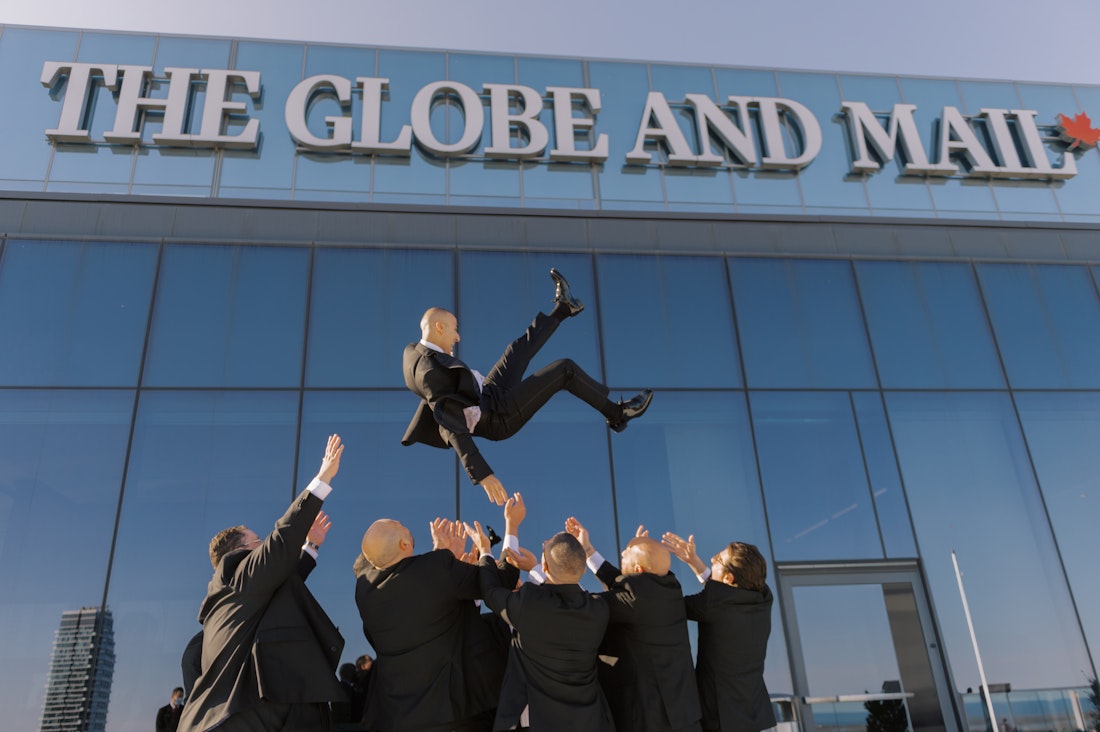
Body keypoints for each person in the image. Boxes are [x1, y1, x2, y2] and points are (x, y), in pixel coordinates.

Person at [402, 268, 654, 505]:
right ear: (439, 327)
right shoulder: (428, 372)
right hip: (497, 417)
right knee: (563, 369)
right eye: (454, 330)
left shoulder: (414, 351)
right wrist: (482, 473)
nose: (458, 337)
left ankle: (564, 308)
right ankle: (619, 415)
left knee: (516, 351)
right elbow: (448, 422)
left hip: (488, 394)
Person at [178, 435, 348, 732]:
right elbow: (281, 542)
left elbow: (280, 582)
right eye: (258, 542)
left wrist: (310, 548)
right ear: (240, 553)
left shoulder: (235, 597)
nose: (262, 546)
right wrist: (322, 478)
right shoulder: (237, 574)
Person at [354, 502, 522, 732]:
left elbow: (421, 600)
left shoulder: (365, 594)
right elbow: (502, 582)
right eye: (400, 525)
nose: (404, 525)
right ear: (404, 544)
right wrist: (508, 531)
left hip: (401, 719)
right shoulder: (436, 568)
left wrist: (442, 554)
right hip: (457, 715)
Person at [475, 522, 615, 731]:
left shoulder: (530, 603)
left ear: (546, 566)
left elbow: (490, 592)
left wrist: (485, 551)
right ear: (584, 568)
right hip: (589, 722)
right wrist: (536, 568)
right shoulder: (599, 610)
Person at [566, 518, 702, 732]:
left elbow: (583, 604)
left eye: (626, 552)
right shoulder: (670, 586)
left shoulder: (635, 599)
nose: (621, 554)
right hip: (684, 716)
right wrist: (588, 549)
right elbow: (625, 581)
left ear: (638, 569)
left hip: (650, 719)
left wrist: (548, 570)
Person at [662, 532, 776, 732]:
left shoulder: (713, 605)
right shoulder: (763, 597)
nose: (711, 559)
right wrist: (694, 562)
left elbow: (669, 605)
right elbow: (726, 594)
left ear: (729, 578)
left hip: (720, 716)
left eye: (718, 560)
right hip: (751, 711)